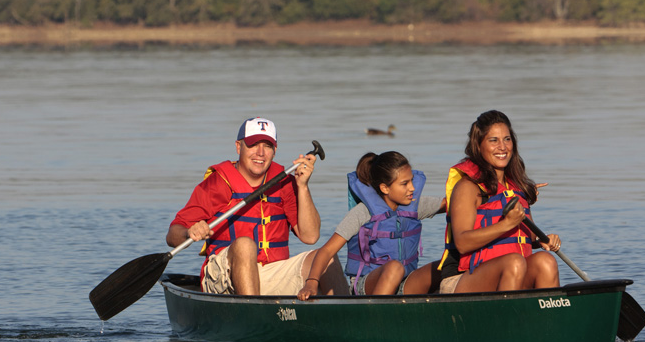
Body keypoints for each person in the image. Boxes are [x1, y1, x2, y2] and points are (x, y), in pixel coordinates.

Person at [166, 117, 345, 296]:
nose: (260, 153)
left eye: (267, 146)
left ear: (274, 151)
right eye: (253, 144)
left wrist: (303, 186)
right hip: (222, 277)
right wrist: (188, 233)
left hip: (271, 273)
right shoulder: (217, 184)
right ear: (238, 147)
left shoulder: (285, 182)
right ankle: (252, 316)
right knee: (244, 245)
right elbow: (172, 235)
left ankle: (351, 318)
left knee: (325, 258)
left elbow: (311, 236)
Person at [434, 110, 561, 294]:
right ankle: (505, 320)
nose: (502, 147)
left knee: (546, 261)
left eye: (507, 139)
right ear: (478, 145)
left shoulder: (516, 186)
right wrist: (506, 224)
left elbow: (528, 238)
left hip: (511, 272)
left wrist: (544, 240)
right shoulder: (468, 186)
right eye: (493, 140)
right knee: (514, 262)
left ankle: (548, 319)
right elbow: (462, 243)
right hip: (463, 279)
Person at [297, 151, 446, 300]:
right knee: (395, 268)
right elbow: (326, 251)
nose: (412, 188)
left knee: (445, 266)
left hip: (406, 282)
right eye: (404, 183)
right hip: (367, 286)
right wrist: (311, 283)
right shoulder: (363, 212)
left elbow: (454, 204)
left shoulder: (414, 206)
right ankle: (374, 317)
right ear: (385, 188)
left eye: (412, 181)